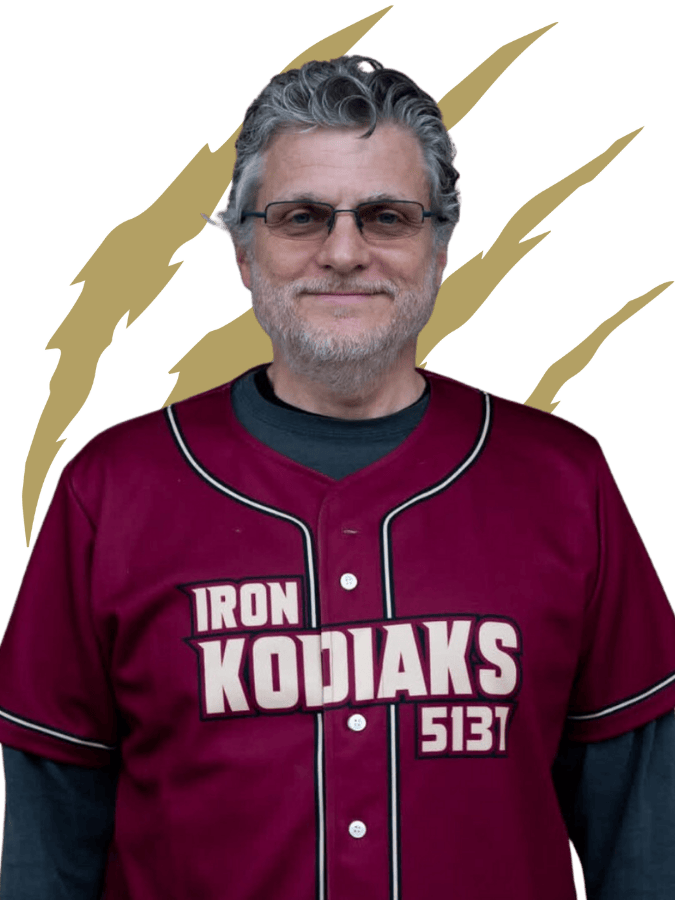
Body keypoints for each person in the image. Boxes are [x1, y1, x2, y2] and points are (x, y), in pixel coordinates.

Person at [0, 54, 674, 900]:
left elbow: (642, 833)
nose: (344, 252)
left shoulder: (563, 480)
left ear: (439, 248)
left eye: (387, 217)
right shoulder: (111, 489)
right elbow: (46, 837)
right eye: (300, 217)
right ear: (242, 250)